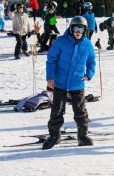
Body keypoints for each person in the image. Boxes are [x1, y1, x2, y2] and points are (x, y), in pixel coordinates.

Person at [42, 16, 96, 150]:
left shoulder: (87, 44)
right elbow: (51, 60)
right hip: (60, 82)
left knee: (81, 111)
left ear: (85, 30)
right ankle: (54, 135)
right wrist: (50, 78)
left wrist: (89, 75)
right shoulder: (61, 41)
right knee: (57, 111)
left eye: (81, 29)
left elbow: (91, 62)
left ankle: (82, 136)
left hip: (77, 83)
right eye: (75, 28)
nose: (78, 31)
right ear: (71, 29)